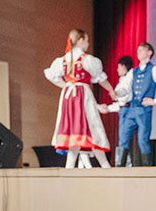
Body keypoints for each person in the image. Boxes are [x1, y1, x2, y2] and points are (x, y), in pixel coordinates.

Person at [44, 29, 117, 168]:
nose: (88, 44)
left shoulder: (63, 60)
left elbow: (52, 76)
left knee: (74, 130)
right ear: (81, 41)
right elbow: (100, 78)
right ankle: (105, 166)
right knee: (91, 126)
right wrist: (110, 90)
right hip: (82, 95)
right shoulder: (87, 59)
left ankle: (71, 167)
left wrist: (66, 86)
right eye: (87, 41)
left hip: (68, 97)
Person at [118, 42, 156, 167]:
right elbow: (125, 87)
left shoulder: (154, 70)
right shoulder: (133, 72)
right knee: (123, 139)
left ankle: (147, 169)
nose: (138, 52)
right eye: (138, 50)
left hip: (143, 110)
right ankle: (119, 168)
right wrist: (117, 93)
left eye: (142, 50)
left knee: (142, 140)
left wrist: (155, 101)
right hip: (131, 109)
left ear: (149, 52)